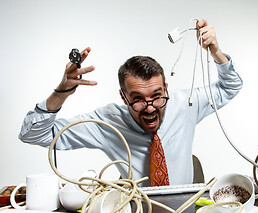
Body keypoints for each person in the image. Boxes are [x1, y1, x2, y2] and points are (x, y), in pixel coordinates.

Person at [19, 19, 242, 186]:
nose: (150, 107)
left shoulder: (186, 104)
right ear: (123, 98)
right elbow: (34, 134)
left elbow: (230, 86)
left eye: (157, 95)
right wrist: (61, 92)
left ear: (166, 89)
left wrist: (216, 52)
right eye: (137, 99)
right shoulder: (107, 122)